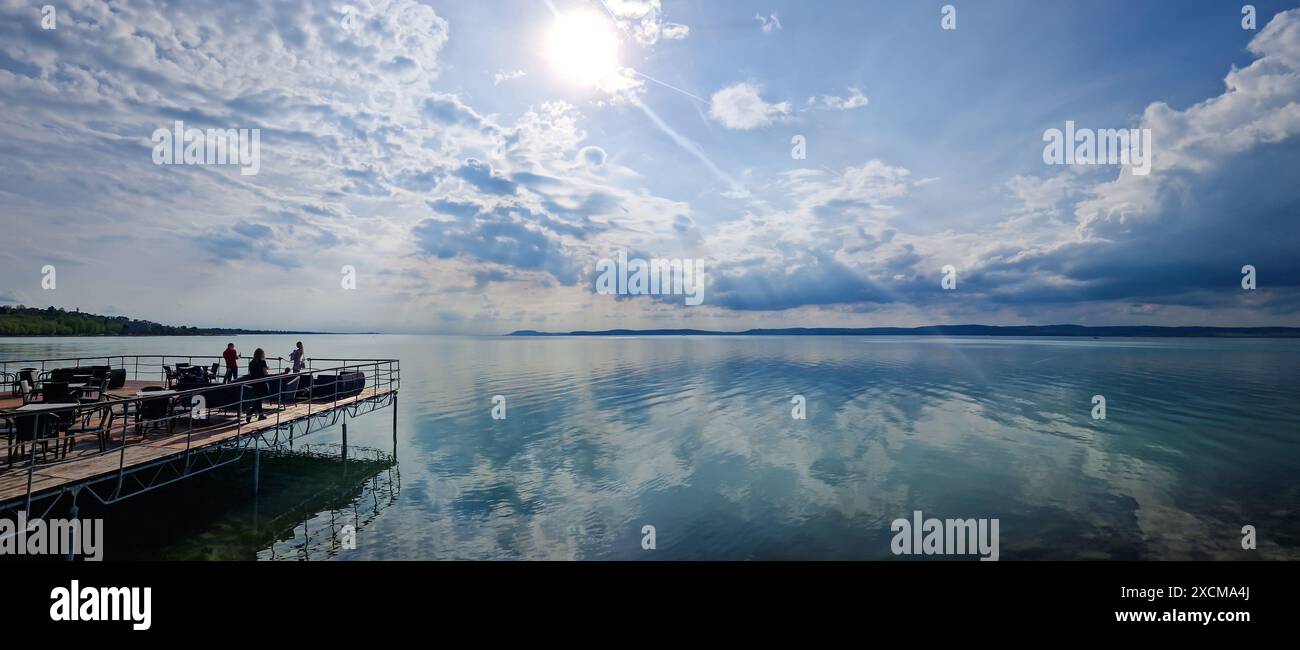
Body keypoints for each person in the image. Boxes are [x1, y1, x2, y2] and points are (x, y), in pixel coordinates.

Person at [246, 348, 270, 423]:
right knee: (259, 399)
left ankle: (260, 415)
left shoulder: (251, 362)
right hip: (261, 382)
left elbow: (252, 372)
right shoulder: (262, 361)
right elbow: (265, 373)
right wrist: (266, 369)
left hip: (254, 382)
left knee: (258, 399)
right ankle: (250, 412)